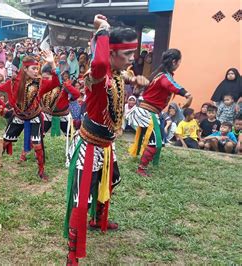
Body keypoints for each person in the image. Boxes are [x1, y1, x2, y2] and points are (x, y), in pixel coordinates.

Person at [63, 15, 149, 264]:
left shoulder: (117, 71)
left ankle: (97, 219)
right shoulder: (98, 72)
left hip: (107, 144)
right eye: (128, 53)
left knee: (112, 179)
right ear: (112, 52)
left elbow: (120, 75)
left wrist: (135, 79)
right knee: (81, 200)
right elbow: (100, 60)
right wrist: (104, 29)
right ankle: (71, 255)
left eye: (134, 52)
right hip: (90, 145)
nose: (133, 58)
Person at [0, 51, 60, 181]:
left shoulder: (40, 83)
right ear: (25, 68)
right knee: (5, 141)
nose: (36, 72)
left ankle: (41, 171)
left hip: (34, 116)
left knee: (37, 145)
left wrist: (52, 63)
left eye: (37, 69)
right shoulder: (12, 83)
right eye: (33, 69)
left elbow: (56, 83)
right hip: (18, 116)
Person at [127, 49, 192, 177]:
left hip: (147, 111)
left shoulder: (159, 73)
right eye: (179, 61)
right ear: (174, 62)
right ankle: (141, 169)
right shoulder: (164, 76)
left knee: (155, 140)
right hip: (147, 113)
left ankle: (143, 163)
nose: (179, 64)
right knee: (156, 143)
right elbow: (171, 85)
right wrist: (187, 95)